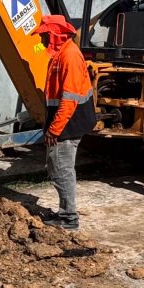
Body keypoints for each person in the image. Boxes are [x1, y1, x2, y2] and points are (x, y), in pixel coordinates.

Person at [32, 14, 95, 230]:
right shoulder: (60, 52)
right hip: (65, 121)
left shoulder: (69, 57)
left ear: (55, 35)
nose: (41, 41)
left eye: (44, 36)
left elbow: (69, 100)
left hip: (68, 123)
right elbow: (36, 51)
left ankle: (68, 218)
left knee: (61, 168)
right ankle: (66, 213)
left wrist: (54, 130)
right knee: (59, 166)